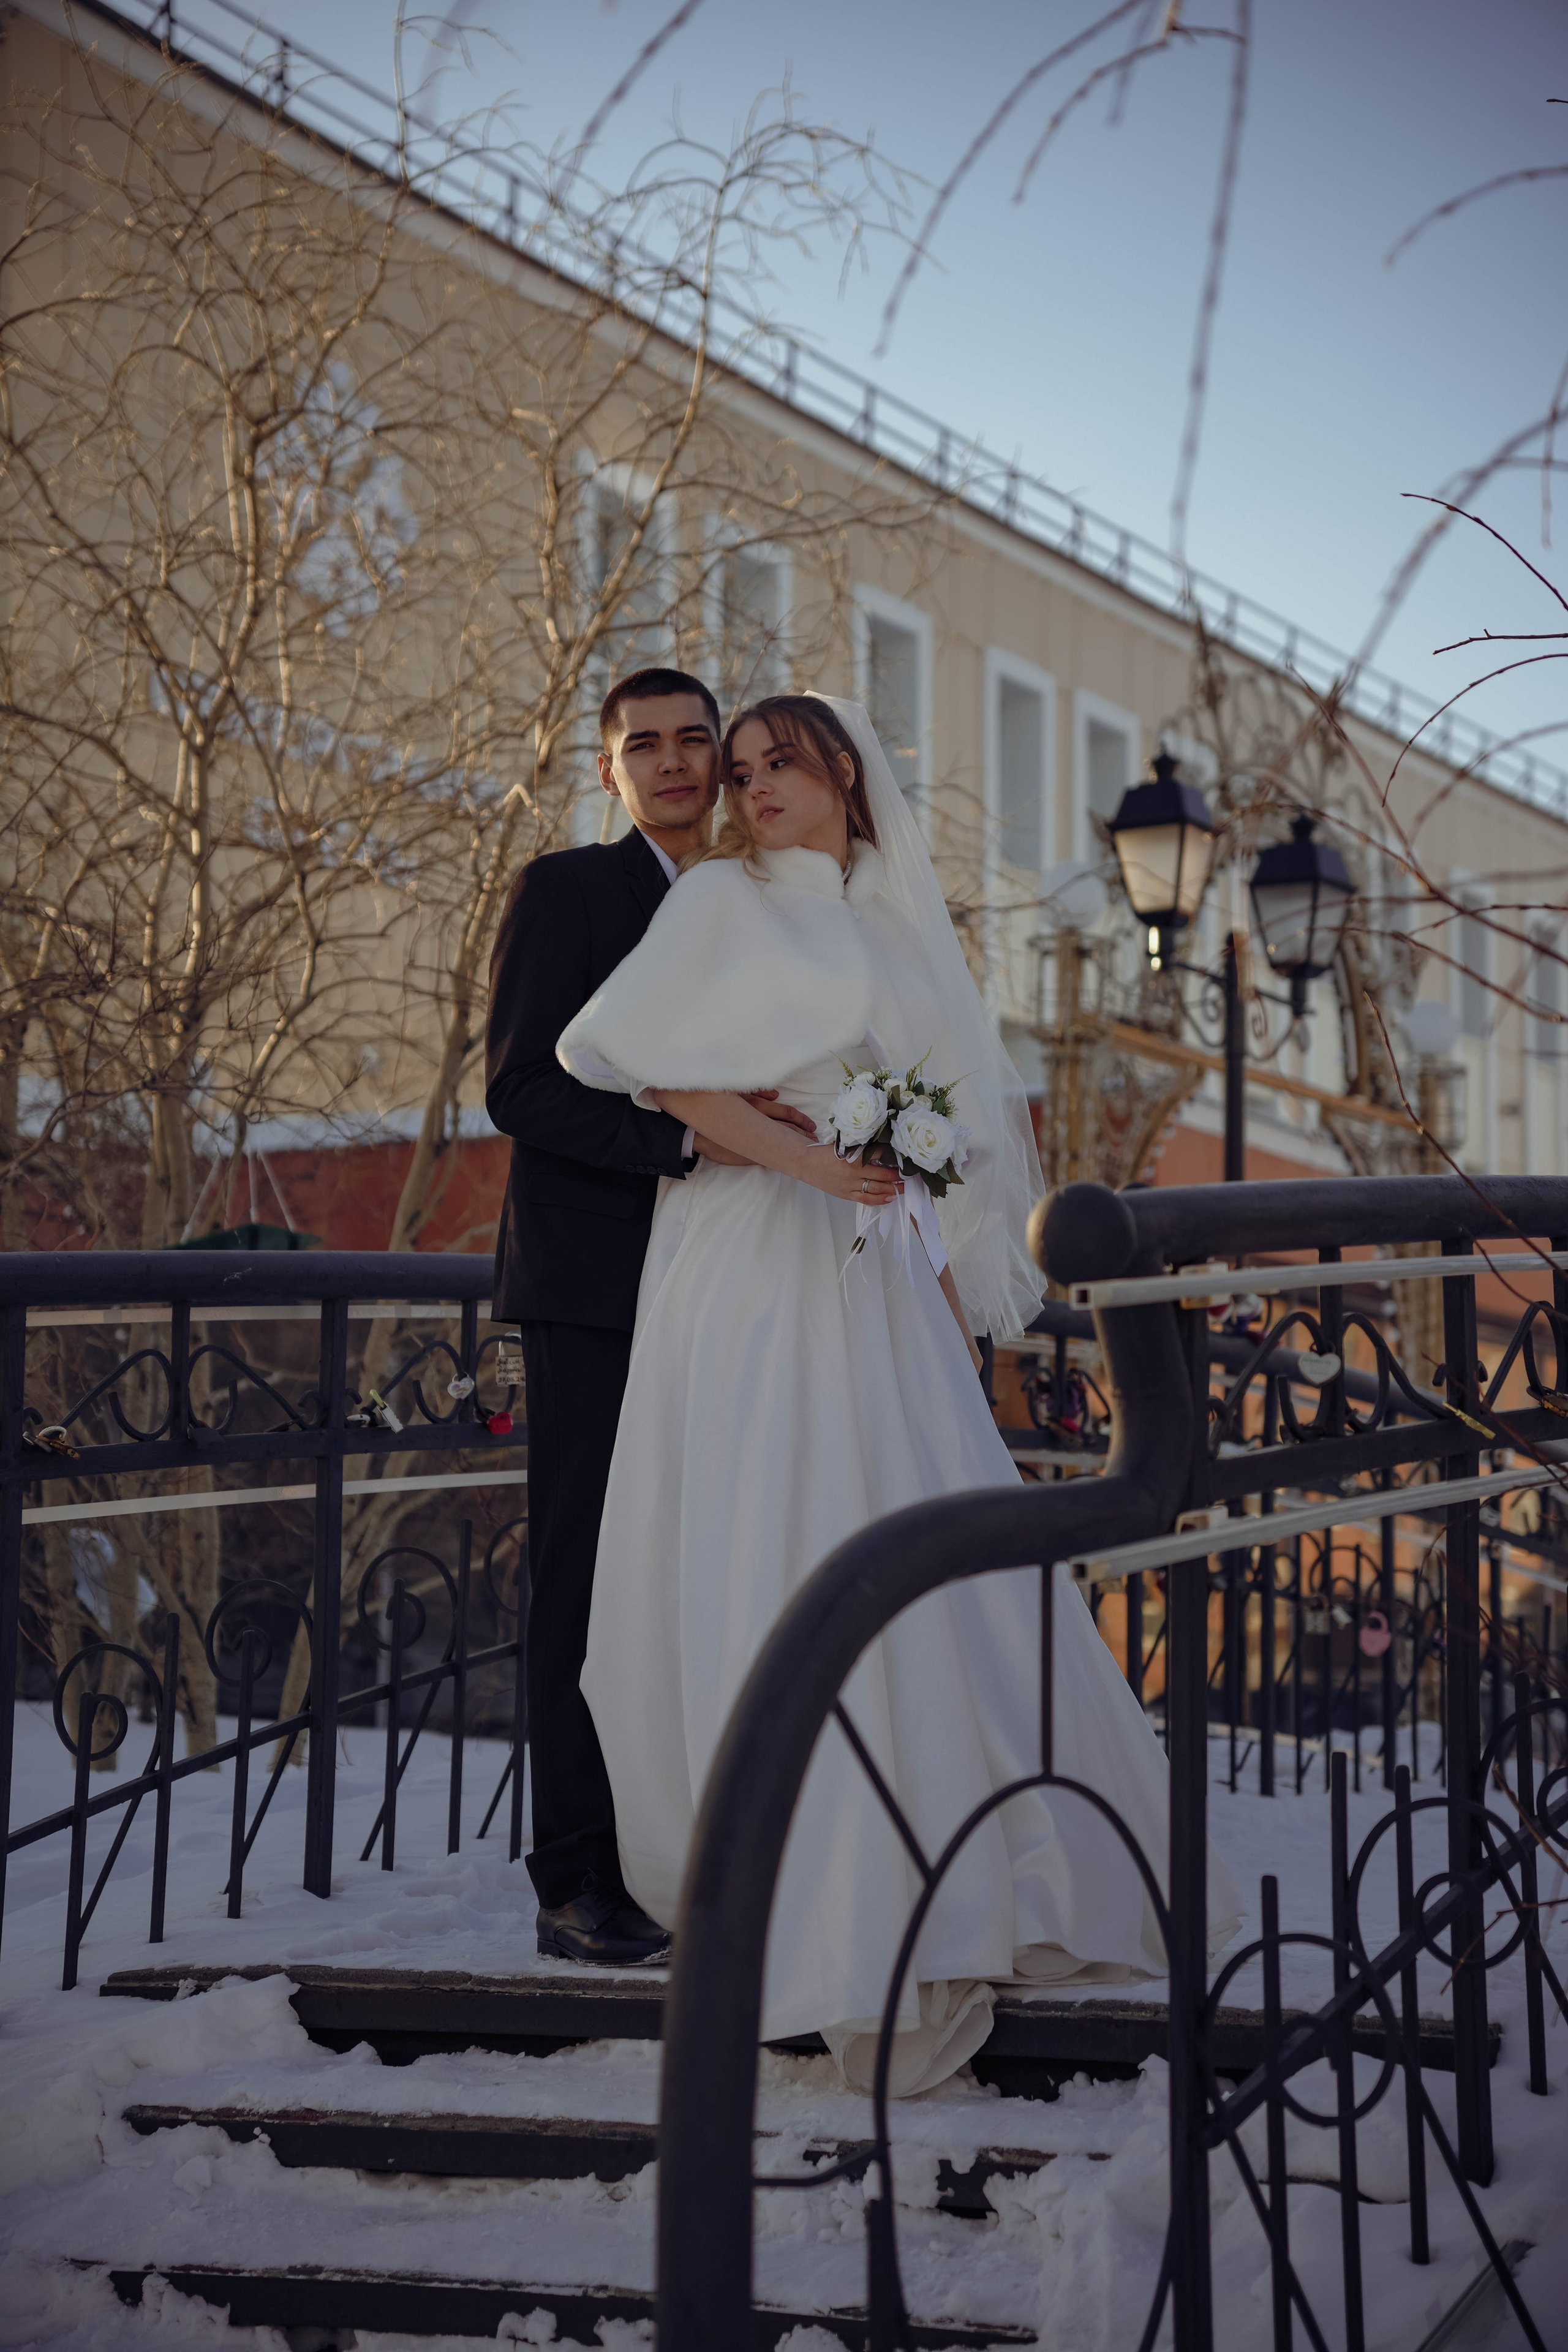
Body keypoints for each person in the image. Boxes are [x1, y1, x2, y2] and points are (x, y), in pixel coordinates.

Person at [558, 693, 1240, 2090]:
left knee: (903, 1526)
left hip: (869, 1268)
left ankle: (947, 1858)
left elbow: (942, 1121)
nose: (750, 790)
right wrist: (817, 1168)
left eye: (777, 767)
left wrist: (915, 1233)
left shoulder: (885, 929)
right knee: (764, 1527)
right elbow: (676, 1085)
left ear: (845, 784)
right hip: (745, 1259)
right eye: (736, 771)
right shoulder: (710, 908)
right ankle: (795, 1895)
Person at [484, 666, 812, 1966]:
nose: (674, 764)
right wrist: (690, 1150)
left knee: (700, 1570)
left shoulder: (759, 900)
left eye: (696, 742)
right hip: (599, 1291)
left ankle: (687, 1847)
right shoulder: (566, 892)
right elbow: (520, 1089)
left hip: (737, 1286)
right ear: (608, 768)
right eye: (645, 746)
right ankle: (573, 1877)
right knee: (584, 1577)